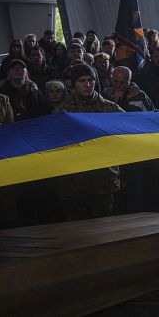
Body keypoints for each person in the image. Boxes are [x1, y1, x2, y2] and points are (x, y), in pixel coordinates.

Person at [53, 63, 123, 220]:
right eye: (81, 81)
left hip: (103, 179)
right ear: (73, 84)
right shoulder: (63, 112)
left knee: (104, 229)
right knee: (78, 232)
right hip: (73, 181)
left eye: (90, 79)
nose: (87, 84)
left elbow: (127, 132)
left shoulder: (110, 108)